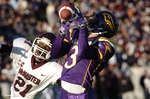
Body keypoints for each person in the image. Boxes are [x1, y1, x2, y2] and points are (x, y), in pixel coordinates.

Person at [56, 2, 119, 98]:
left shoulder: (106, 45)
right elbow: (58, 51)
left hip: (79, 88)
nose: (91, 20)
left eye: (95, 19)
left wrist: (82, 27)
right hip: (66, 82)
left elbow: (83, 50)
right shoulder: (80, 34)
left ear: (102, 25)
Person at [0, 33, 63, 99]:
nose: (40, 49)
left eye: (46, 47)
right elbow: (6, 48)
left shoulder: (53, 68)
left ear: (53, 51)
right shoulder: (26, 50)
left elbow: (69, 83)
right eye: (40, 44)